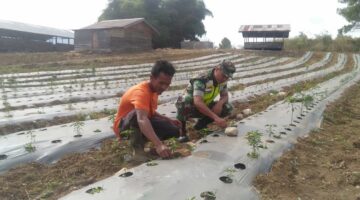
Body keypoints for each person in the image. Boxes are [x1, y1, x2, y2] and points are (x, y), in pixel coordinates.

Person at [113, 60, 183, 158]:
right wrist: (159, 145)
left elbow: (151, 112)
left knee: (174, 130)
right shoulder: (141, 92)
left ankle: (146, 147)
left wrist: (168, 119)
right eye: (161, 83)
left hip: (137, 122)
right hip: (123, 128)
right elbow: (141, 119)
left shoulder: (154, 91)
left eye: (167, 84)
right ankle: (137, 151)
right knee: (137, 115)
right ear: (151, 78)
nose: (164, 87)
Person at [176, 60, 236, 136]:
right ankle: (182, 132)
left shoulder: (222, 81)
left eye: (227, 77)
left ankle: (200, 125)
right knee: (184, 101)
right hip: (191, 107)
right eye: (223, 75)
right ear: (217, 69)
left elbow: (225, 96)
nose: (225, 79)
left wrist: (219, 104)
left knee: (228, 107)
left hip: (205, 104)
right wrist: (216, 118)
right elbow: (197, 102)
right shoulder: (202, 79)